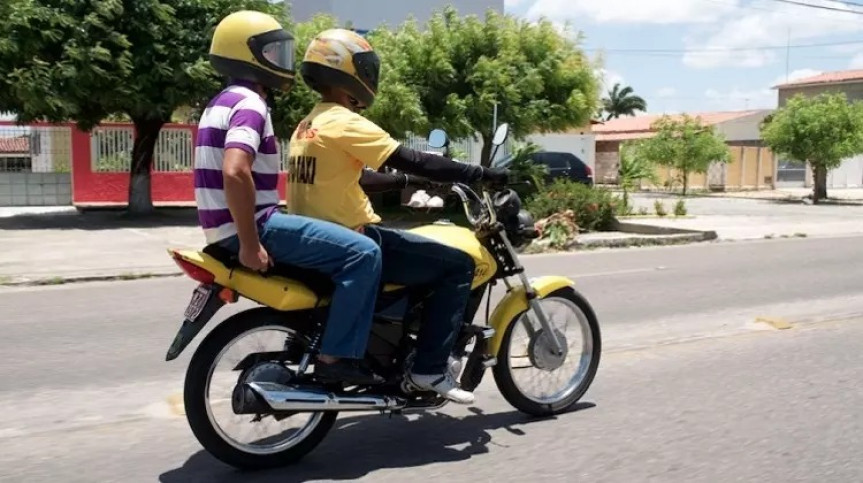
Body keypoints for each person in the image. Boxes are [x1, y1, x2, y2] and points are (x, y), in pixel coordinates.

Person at [286, 28, 510, 404]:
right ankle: (429, 368)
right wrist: (479, 173)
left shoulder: (309, 124)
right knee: (457, 266)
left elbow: (362, 177)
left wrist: (408, 181)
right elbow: (414, 156)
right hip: (354, 236)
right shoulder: (345, 121)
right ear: (350, 72)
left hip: (319, 238)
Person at [195, 11, 384, 385]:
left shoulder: (221, 101)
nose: (283, 63)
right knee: (364, 254)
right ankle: (336, 358)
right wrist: (250, 243)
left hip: (223, 229)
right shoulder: (250, 103)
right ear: (247, 55)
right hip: (250, 228)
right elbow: (235, 170)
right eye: (273, 52)